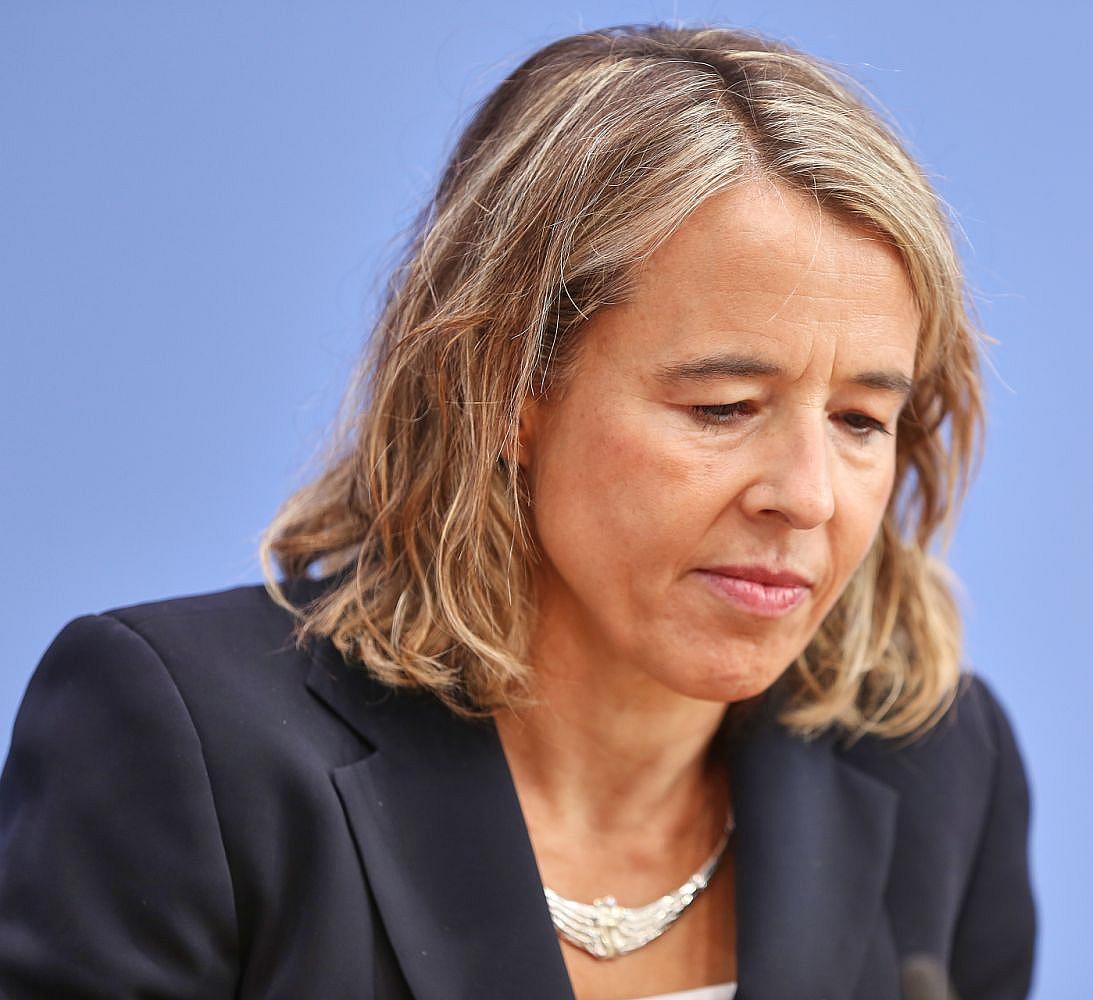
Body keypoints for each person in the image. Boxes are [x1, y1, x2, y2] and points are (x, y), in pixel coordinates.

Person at [0, 23, 1035, 1000]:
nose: (806, 496)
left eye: (860, 420)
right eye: (723, 408)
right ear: (506, 390)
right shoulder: (187, 746)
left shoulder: (942, 765)